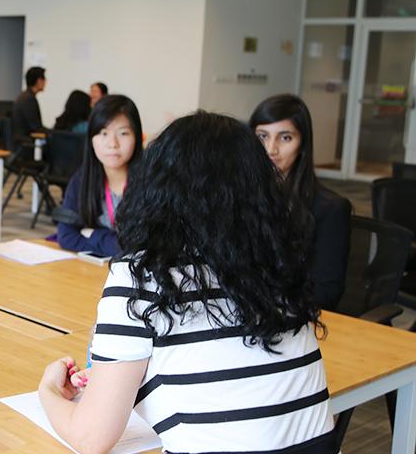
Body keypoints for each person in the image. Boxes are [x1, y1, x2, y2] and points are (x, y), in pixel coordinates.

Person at [39, 111, 334, 453]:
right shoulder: (273, 271)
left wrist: (48, 390)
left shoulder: (140, 277)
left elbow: (91, 438)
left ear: (157, 187)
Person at [250, 94, 351, 311]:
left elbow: (326, 292)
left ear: (302, 144)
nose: (271, 150)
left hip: (291, 319)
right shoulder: (240, 198)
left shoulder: (329, 208)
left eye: (285, 138)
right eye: (262, 137)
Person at [56, 95, 141, 256]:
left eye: (123, 133)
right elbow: (66, 236)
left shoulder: (151, 183)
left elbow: (138, 249)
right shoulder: (82, 179)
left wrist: (93, 234)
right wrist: (113, 243)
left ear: (137, 137)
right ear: (91, 139)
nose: (112, 144)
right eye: (103, 133)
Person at [12, 66, 47, 139]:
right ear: (38, 81)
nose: (45, 81)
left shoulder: (25, 96)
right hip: (27, 142)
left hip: (23, 140)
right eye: (43, 78)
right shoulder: (29, 99)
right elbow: (36, 128)